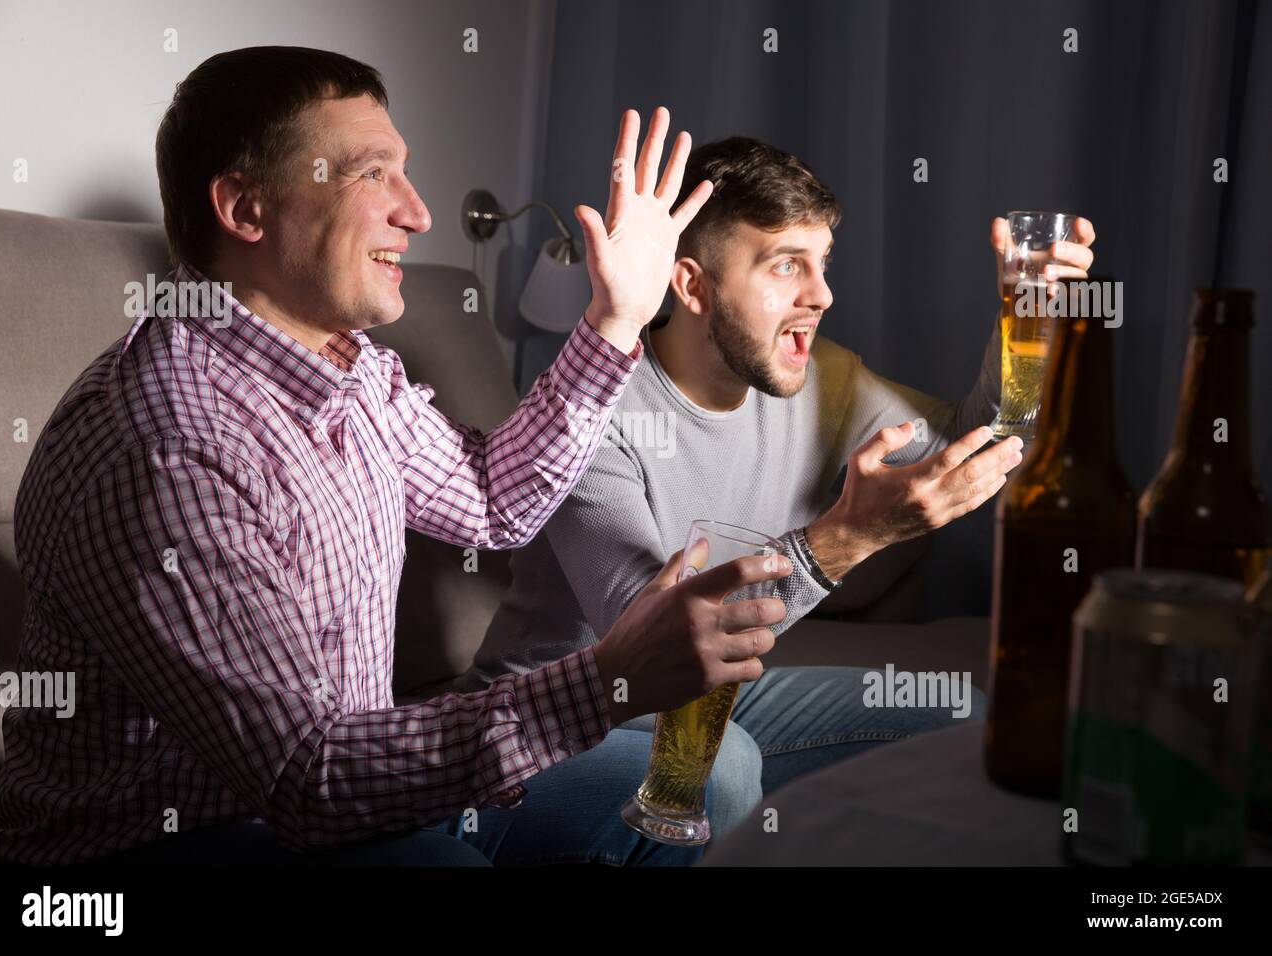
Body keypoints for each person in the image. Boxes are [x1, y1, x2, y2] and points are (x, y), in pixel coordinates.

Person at [0, 47, 791, 867]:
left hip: (351, 781)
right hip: (174, 840)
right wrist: (601, 679)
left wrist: (617, 318)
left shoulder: (350, 365)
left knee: (718, 773)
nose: (419, 212)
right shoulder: (169, 447)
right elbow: (305, 776)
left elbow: (490, 498)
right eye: (374, 175)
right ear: (245, 208)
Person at [463, 136, 1097, 818]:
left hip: (717, 695)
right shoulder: (589, 410)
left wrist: (1028, 323)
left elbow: (976, 451)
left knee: (954, 713)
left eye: (822, 263)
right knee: (726, 765)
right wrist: (848, 539)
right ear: (692, 284)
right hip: (559, 720)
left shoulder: (822, 378)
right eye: (785, 266)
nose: (822, 294)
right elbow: (658, 640)